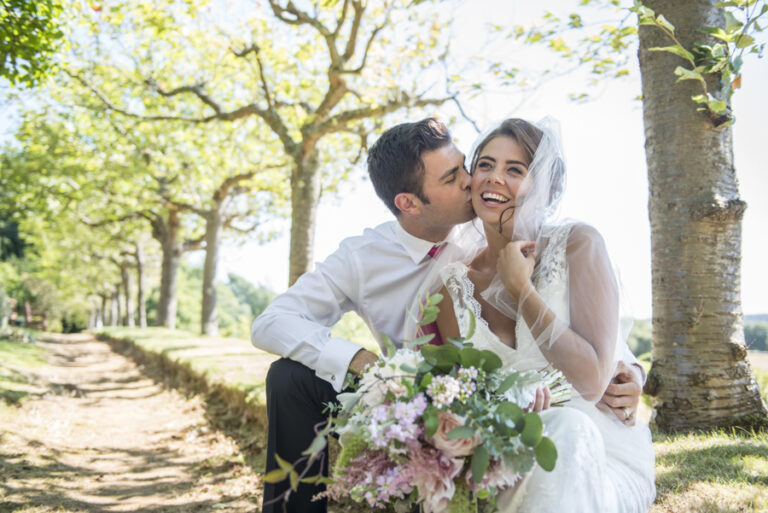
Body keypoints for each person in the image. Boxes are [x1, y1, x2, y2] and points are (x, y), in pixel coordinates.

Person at [251, 118, 645, 513]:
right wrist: (363, 363)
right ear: (409, 203)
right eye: (461, 174)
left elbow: (589, 342)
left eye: (467, 167)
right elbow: (271, 322)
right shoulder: (369, 260)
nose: (475, 181)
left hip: (540, 414)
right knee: (289, 377)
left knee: (564, 435)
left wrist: (629, 371)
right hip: (413, 400)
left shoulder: (512, 226)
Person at [433, 117, 656, 512]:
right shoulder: (453, 288)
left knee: (568, 429)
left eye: (514, 170)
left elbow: (590, 381)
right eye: (485, 165)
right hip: (510, 453)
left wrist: (522, 291)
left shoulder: (579, 246)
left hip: (603, 453)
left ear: (546, 188)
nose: (494, 178)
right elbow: (464, 395)